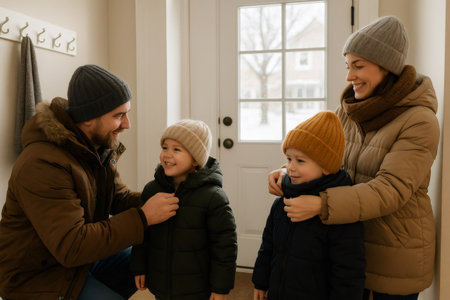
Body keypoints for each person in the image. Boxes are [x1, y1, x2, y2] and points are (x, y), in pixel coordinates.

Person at [268, 16, 439, 300]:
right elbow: (326, 162)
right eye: (348, 66)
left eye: (359, 66)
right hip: (345, 245)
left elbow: (391, 189)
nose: (350, 76)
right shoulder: (345, 112)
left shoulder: (419, 121)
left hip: (393, 254)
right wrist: (289, 171)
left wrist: (322, 204)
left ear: (388, 67)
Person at [0, 64, 179, 300]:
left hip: (80, 262)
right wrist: (144, 216)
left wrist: (172, 196)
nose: (127, 124)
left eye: (127, 113)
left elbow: (118, 198)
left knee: (154, 257)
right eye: (118, 115)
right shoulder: (42, 164)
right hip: (36, 277)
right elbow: (72, 245)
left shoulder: (93, 148)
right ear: (87, 119)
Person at [253, 111, 365, 300]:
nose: (290, 168)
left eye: (300, 161)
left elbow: (349, 271)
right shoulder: (281, 203)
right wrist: (261, 281)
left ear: (326, 166)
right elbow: (268, 247)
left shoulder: (339, 213)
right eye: (289, 159)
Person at [130, 119, 237, 300]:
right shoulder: (152, 190)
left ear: (196, 159)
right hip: (161, 283)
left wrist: (220, 288)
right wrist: (139, 267)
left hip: (197, 287)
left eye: (176, 149)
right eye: (165, 147)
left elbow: (225, 247)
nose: (167, 155)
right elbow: (142, 236)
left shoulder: (213, 197)